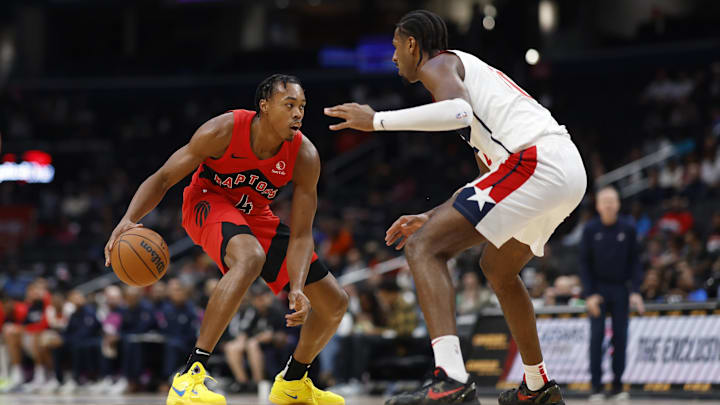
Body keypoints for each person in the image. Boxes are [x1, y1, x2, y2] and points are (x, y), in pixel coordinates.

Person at [324, 10, 586, 405]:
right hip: (562, 170)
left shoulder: (440, 63)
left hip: (539, 161)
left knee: (423, 248)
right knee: (497, 268)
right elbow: (486, 182)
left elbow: (457, 113)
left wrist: (376, 120)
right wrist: (432, 216)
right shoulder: (474, 93)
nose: (394, 58)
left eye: (396, 48)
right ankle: (537, 387)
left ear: (413, 44)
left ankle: (451, 379)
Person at [105, 74, 348, 405]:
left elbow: (303, 233)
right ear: (264, 107)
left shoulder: (304, 154)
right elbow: (163, 178)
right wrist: (129, 220)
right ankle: (189, 377)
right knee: (250, 257)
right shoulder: (222, 131)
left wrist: (298, 287)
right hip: (206, 201)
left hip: (256, 214)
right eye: (289, 105)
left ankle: (293, 382)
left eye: (302, 106)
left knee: (334, 302)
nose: (298, 114)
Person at [579, 186, 644, 401]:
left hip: (620, 289)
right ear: (597, 205)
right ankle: (596, 387)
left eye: (611, 200)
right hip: (597, 290)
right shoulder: (590, 229)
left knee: (621, 337)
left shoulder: (628, 228)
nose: (608, 204)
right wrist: (589, 294)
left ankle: (617, 385)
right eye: (604, 201)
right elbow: (584, 264)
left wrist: (635, 291)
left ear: (617, 204)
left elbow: (635, 262)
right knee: (596, 337)